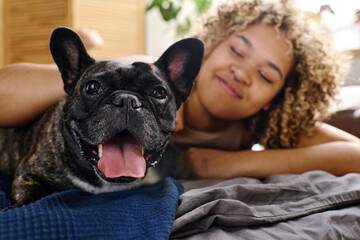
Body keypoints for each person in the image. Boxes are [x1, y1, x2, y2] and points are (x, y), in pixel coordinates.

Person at [1, 0, 360, 180]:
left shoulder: (258, 128)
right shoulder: (141, 74)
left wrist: (223, 163)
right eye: (237, 50)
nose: (241, 71)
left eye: (266, 76)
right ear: (214, 43)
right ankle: (93, 40)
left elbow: (354, 153)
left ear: (275, 101)